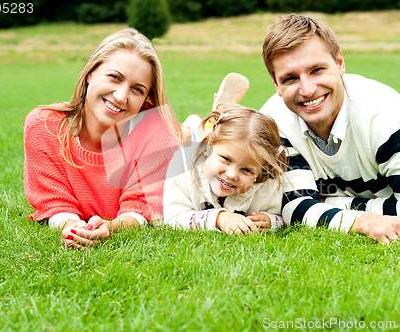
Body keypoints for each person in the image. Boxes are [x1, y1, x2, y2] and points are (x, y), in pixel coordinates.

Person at [259, 14, 400, 244]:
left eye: (317, 70)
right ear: (276, 84)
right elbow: (295, 208)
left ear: (339, 63)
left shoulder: (386, 113)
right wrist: (363, 221)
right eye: (290, 78)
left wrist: (329, 204)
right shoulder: (271, 122)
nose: (307, 90)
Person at [24, 28, 183, 249]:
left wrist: (111, 226)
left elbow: (140, 207)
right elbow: (54, 202)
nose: (121, 96)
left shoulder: (157, 132)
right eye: (114, 77)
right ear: (90, 72)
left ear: (146, 98)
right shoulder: (43, 127)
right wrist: (72, 226)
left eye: (137, 89)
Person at [163, 107, 288, 235]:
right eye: (226, 159)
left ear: (262, 170)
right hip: (184, 149)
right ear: (209, 146)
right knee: (183, 136)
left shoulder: (267, 184)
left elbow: (279, 217)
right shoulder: (182, 167)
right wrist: (218, 218)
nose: (232, 175)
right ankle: (194, 125)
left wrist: (270, 222)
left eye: (246, 170)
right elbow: (173, 219)